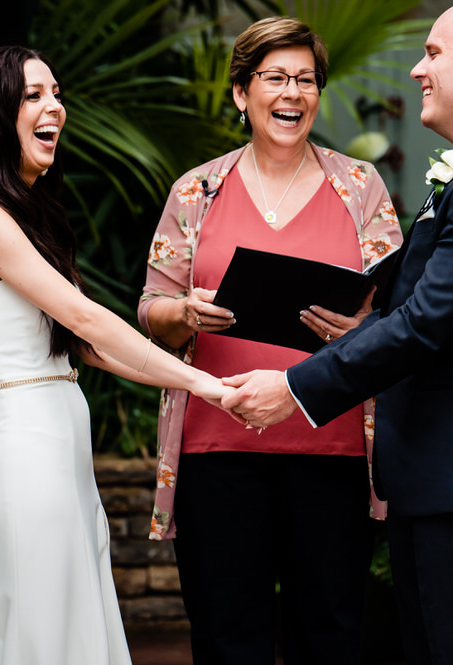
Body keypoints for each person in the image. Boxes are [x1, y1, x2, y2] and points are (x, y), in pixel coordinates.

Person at [222, 3, 453, 665]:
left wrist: (296, 388)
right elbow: (434, 307)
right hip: (444, 473)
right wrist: (366, 325)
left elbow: (427, 324)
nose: (418, 68)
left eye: (434, 53)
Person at [0, 45, 230, 665]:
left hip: (57, 441)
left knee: (70, 616)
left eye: (56, 93)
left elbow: (86, 346)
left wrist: (196, 382)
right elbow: (85, 316)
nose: (55, 109)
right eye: (32, 96)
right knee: (37, 626)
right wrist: (210, 388)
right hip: (24, 448)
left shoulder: (24, 212)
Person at [137, 16, 403, 665]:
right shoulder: (196, 191)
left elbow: (402, 314)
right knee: (228, 637)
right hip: (215, 450)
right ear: (241, 93)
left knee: (331, 634)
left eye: (306, 80)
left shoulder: (360, 186)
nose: (293, 93)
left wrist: (362, 327)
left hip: (331, 448)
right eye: (276, 77)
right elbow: (150, 310)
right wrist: (185, 312)